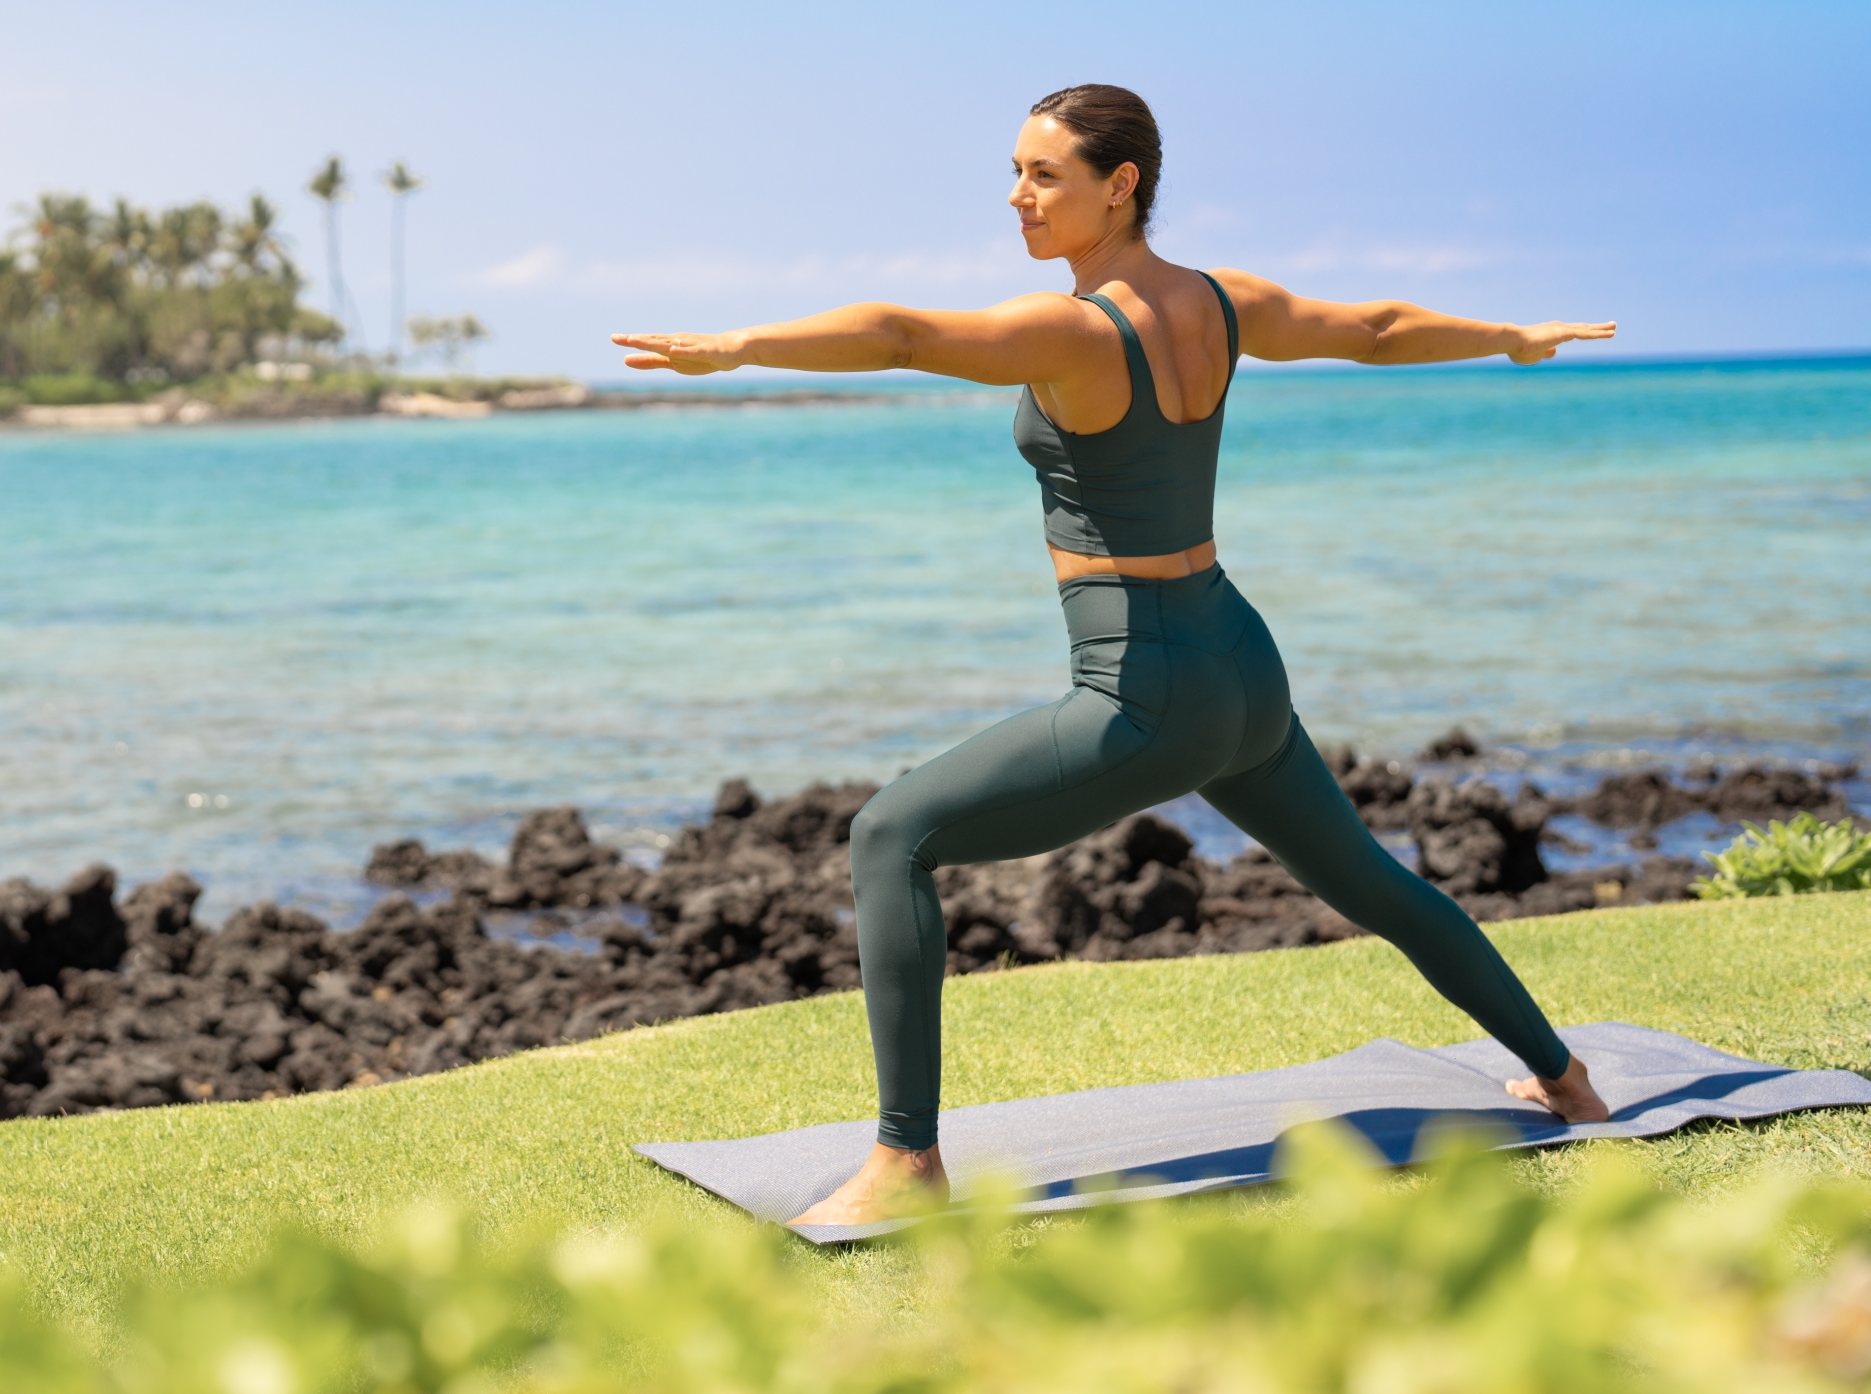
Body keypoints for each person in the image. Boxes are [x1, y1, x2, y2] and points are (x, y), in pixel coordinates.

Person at [611, 84, 1618, 1227]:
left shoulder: (1074, 329)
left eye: (1044, 175)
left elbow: (898, 333)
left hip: (1144, 685)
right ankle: (1564, 1080)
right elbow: (1374, 330)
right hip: (1238, 660)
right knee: (1372, 884)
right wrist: (1509, 338)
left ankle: (904, 1164)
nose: (1018, 196)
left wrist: (737, 349)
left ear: (1119, 185)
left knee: (889, 835)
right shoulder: (1222, 304)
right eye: (1016, 170)